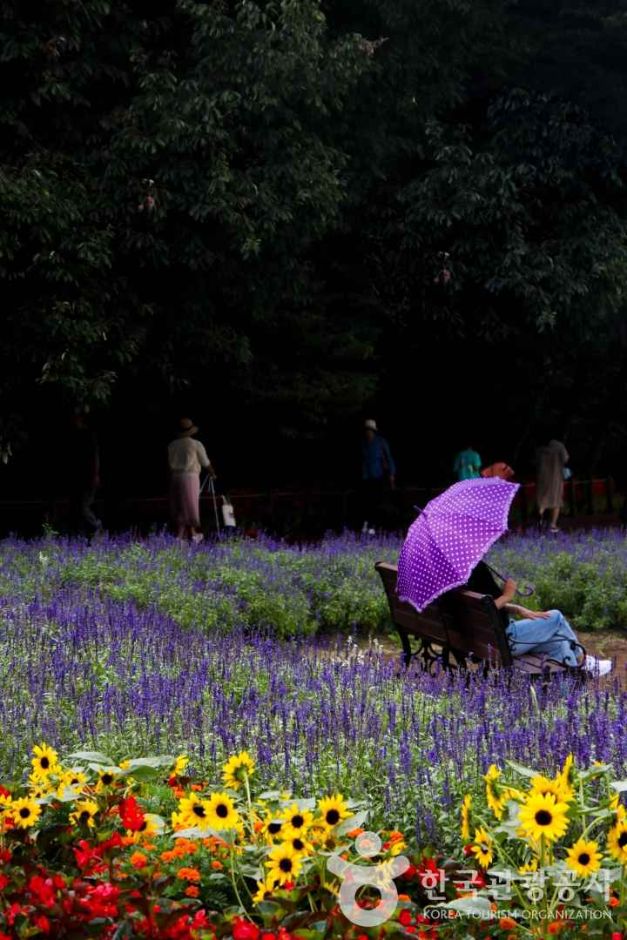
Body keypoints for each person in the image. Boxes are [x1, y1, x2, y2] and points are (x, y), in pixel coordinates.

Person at [465, 561, 612, 676]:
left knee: (560, 643)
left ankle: (569, 692)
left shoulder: (458, 577)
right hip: (506, 639)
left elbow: (483, 606)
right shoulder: (474, 570)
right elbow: (483, 609)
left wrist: (517, 608)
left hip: (485, 640)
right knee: (556, 617)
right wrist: (507, 596)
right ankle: (584, 662)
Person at [168, 418, 213, 542]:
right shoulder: (195, 444)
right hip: (190, 476)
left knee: (179, 505)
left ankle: (181, 535)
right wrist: (212, 473)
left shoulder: (172, 445)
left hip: (175, 477)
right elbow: (205, 462)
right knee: (190, 504)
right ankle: (191, 534)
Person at [67, 411, 102, 533]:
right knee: (77, 508)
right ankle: (84, 536)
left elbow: (94, 457)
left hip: (88, 477)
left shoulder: (89, 435)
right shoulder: (75, 435)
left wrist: (95, 475)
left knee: (83, 507)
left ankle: (96, 526)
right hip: (78, 478)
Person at [361, 419, 396, 534]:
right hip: (366, 477)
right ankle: (367, 523)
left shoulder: (381, 442)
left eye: (370, 430)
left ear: (373, 431)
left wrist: (391, 474)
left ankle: (374, 525)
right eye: (366, 430)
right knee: (366, 501)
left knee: (376, 501)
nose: (368, 432)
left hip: (378, 476)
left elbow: (389, 458)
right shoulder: (363, 443)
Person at [536, 439, 569, 532]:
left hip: (542, 476)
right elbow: (565, 458)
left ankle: (540, 517)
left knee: (542, 500)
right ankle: (553, 524)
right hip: (556, 476)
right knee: (556, 500)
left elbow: (535, 461)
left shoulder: (540, 447)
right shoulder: (559, 446)